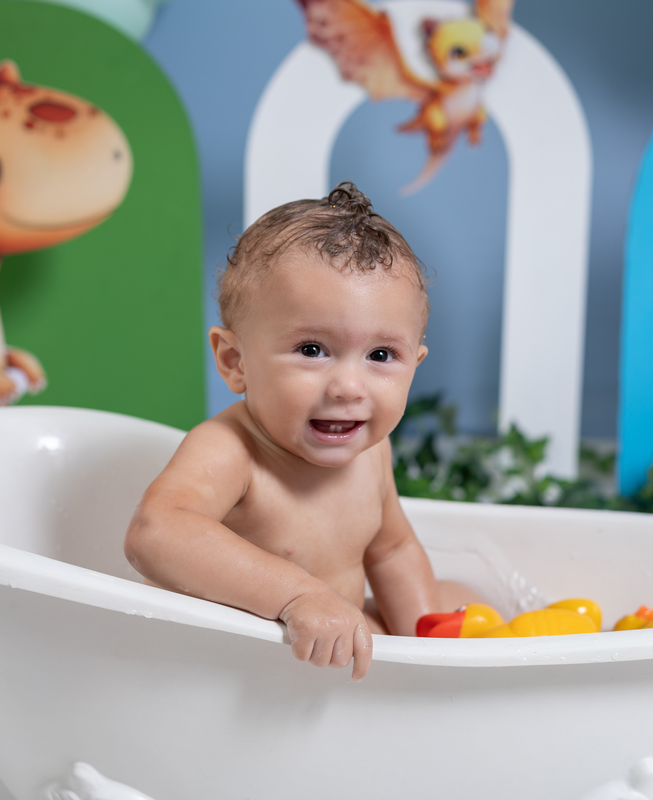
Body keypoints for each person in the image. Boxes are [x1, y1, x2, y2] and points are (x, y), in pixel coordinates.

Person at [124, 182, 476, 681]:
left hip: (319, 652)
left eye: (380, 355)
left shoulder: (371, 453)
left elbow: (392, 550)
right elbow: (155, 533)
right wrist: (297, 595)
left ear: (415, 364)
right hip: (229, 669)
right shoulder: (232, 449)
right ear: (235, 361)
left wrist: (427, 650)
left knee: (459, 601)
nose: (348, 387)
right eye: (312, 350)